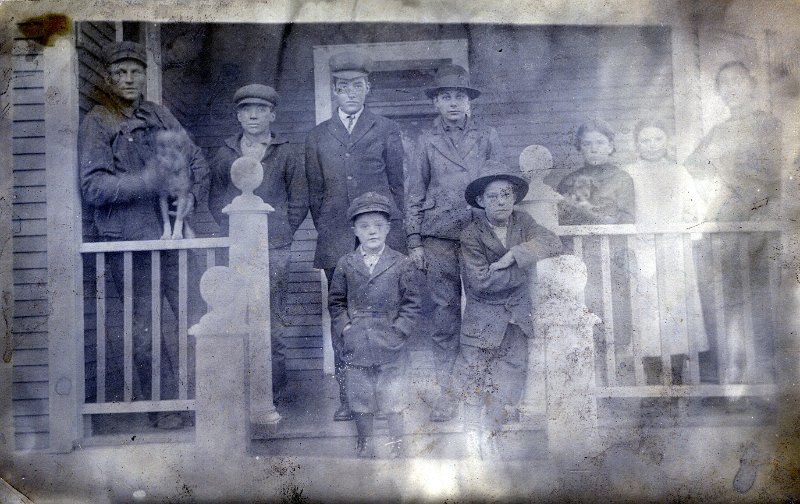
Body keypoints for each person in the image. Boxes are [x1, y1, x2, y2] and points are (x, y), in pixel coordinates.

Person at [79, 41, 209, 429]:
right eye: (120, 72)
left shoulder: (160, 115)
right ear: (107, 78)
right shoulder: (98, 122)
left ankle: (210, 398)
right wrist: (148, 181)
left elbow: (195, 159)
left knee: (199, 315)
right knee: (146, 327)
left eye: (136, 71)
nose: (129, 79)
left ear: (145, 76)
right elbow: (93, 188)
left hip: (175, 240)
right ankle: (165, 405)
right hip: (130, 243)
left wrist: (192, 196)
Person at [405, 64, 503, 422]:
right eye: (445, 97)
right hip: (438, 237)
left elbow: (498, 187)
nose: (453, 103)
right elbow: (414, 193)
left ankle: (480, 390)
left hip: (479, 234)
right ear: (436, 104)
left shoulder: (488, 136)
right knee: (444, 316)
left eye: (459, 96)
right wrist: (414, 239)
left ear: (469, 102)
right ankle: (447, 394)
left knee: (483, 310)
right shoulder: (423, 142)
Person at [208, 84, 308, 403]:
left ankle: (273, 391)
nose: (253, 115)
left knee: (272, 319)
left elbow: (299, 200)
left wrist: (279, 232)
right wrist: (237, 230)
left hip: (276, 249)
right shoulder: (225, 154)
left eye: (261, 110)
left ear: (272, 115)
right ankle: (243, 392)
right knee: (238, 314)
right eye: (247, 110)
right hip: (238, 249)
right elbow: (215, 199)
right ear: (238, 116)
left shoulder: (287, 151)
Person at [685, 61, 783, 386]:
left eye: (737, 81)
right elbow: (694, 168)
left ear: (751, 84)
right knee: (722, 303)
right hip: (723, 228)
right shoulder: (718, 132)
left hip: (759, 225)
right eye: (723, 83)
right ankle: (728, 380)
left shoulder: (769, 126)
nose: (731, 88)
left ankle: (768, 381)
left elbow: (773, 175)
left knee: (762, 302)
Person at [456, 161, 562, 459]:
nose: (501, 202)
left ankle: (493, 437)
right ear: (480, 201)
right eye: (493, 197)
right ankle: (471, 441)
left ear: (514, 198)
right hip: (483, 322)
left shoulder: (523, 222)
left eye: (506, 195)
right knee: (475, 381)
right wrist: (524, 270)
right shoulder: (471, 235)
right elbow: (480, 282)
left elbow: (552, 242)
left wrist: (514, 255)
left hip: (516, 320)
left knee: (507, 384)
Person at [328, 192, 423, 458]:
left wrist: (400, 330)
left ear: (388, 229)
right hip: (357, 340)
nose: (372, 232)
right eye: (365, 226)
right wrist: (345, 328)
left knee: (394, 397)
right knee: (361, 396)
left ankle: (396, 444)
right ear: (355, 231)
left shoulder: (401, 262)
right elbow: (336, 303)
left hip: (390, 339)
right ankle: (365, 443)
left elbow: (412, 303)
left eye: (379, 226)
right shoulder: (346, 264)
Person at [623, 118, 709, 390]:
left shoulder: (679, 171)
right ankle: (652, 382)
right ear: (636, 143)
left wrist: (684, 225)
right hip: (642, 247)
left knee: (676, 310)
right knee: (647, 313)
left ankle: (677, 379)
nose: (651, 145)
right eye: (644, 140)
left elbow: (696, 209)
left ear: (667, 141)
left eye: (657, 139)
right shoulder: (629, 172)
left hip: (674, 248)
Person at [556, 118, 634, 387]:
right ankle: (593, 385)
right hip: (583, 257)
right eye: (587, 144)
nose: (594, 148)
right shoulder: (569, 181)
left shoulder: (622, 179)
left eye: (600, 143)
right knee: (587, 316)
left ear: (611, 146)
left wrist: (588, 211)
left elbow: (625, 217)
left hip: (613, 256)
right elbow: (562, 221)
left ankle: (618, 383)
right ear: (580, 148)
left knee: (617, 319)